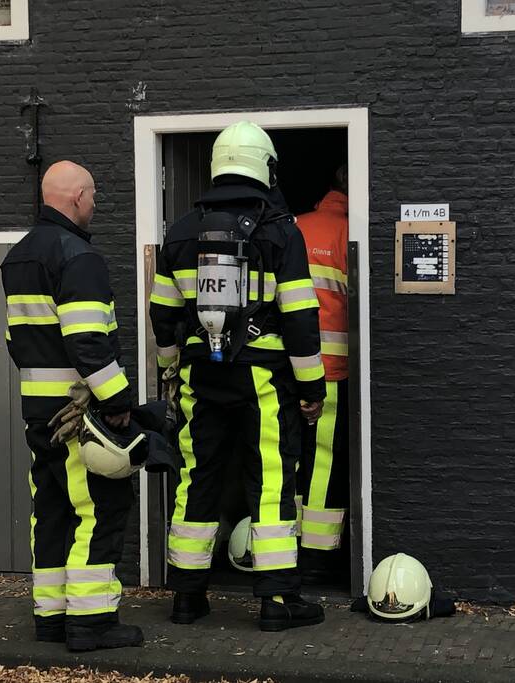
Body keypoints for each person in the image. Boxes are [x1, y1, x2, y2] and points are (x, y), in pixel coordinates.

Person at [149, 121, 327, 632]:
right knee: (270, 479)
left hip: (200, 375)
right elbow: (299, 316)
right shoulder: (280, 231)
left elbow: (163, 314)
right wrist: (311, 389)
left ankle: (187, 597)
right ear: (264, 166)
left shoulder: (181, 231)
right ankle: (277, 601)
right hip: (263, 378)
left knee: (196, 477)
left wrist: (170, 371)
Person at [1, 160, 142, 652]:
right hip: (76, 414)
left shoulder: (19, 257)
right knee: (99, 509)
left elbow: (15, 340)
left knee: (52, 509)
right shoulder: (78, 256)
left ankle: (51, 617)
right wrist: (118, 400)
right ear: (78, 197)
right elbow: (87, 341)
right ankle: (92, 622)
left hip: (38, 408)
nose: (97, 205)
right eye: (95, 197)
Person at [295, 166, 350, 582]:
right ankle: (316, 554)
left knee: (291, 456)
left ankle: (284, 543)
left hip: (285, 368)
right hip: (331, 371)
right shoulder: (348, 234)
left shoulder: (294, 227)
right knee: (325, 463)